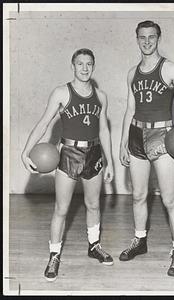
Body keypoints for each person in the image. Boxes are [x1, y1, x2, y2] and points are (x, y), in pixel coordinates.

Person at [119, 20, 174, 277]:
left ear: (159, 38)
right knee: (138, 195)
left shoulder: (170, 69)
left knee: (169, 198)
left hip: (163, 136)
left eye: (152, 37)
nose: (147, 42)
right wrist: (123, 141)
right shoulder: (131, 73)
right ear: (136, 39)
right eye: (142, 37)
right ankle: (140, 240)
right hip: (136, 134)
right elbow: (130, 109)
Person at [21, 48, 114, 282]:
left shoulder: (101, 96)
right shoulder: (62, 92)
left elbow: (104, 130)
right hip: (69, 152)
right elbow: (44, 123)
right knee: (61, 209)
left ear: (94, 66)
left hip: (94, 153)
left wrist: (110, 162)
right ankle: (54, 255)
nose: (84, 68)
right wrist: (25, 151)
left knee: (93, 204)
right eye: (80, 63)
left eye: (89, 64)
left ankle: (94, 246)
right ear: (72, 66)